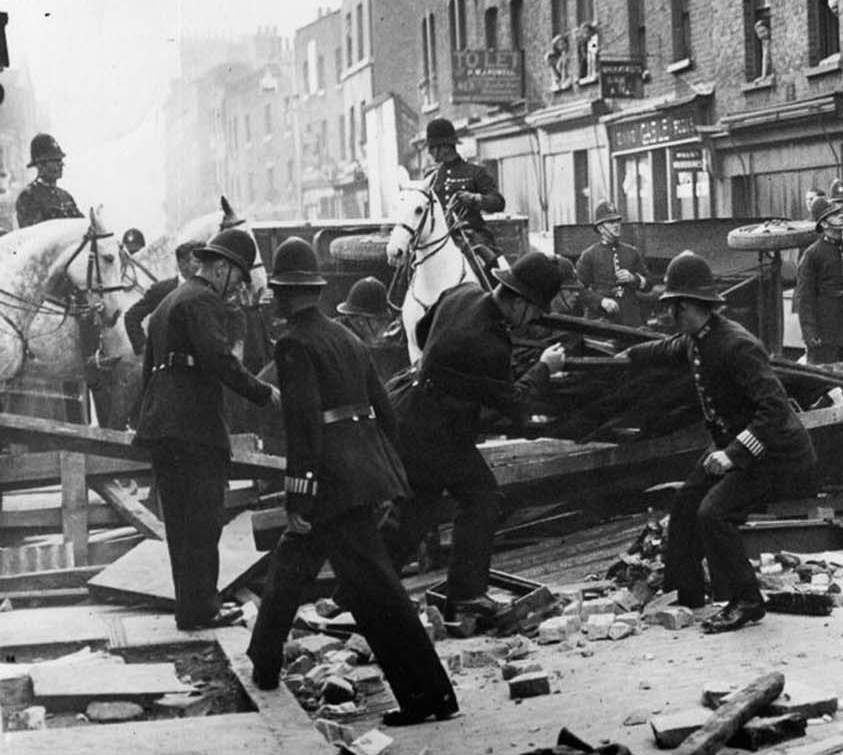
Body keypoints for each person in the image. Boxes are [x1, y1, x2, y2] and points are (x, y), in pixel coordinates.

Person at [245, 239, 458, 726]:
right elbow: (385, 413)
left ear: (282, 293)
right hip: (361, 477)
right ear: (315, 290)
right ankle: (264, 660)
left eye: (277, 292)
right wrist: (384, 476)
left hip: (328, 485)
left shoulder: (293, 343)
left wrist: (300, 493)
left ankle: (428, 697)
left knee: (375, 593)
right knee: (294, 563)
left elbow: (304, 426)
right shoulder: (347, 338)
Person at [620, 252, 818, 633]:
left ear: (690, 305)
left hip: (776, 456)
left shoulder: (735, 346)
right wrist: (628, 356)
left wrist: (732, 455)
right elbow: (666, 350)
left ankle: (745, 601)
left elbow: (775, 410)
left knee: (714, 513)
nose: (669, 315)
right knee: (686, 504)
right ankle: (686, 594)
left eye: (672, 306)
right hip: (737, 450)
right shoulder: (697, 338)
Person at [386, 252, 568, 620]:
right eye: (534, 312)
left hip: (411, 410)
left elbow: (422, 332)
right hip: (437, 433)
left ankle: (356, 591)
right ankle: (467, 595)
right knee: (483, 498)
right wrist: (544, 368)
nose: (533, 321)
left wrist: (449, 370)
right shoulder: (491, 345)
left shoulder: (462, 293)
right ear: (518, 302)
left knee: (416, 511)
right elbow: (514, 402)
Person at [133, 228, 280, 630]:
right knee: (203, 520)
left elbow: (149, 369)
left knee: (180, 524)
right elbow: (219, 359)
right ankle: (204, 609)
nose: (237, 289)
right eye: (238, 278)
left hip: (164, 426)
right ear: (220, 268)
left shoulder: (169, 303)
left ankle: (191, 609)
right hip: (193, 426)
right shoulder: (202, 300)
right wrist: (263, 392)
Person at [795, 195, 843, 364]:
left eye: (840, 213)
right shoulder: (812, 254)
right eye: (834, 215)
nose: (841, 216)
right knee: (822, 383)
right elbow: (805, 298)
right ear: (824, 224)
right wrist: (810, 334)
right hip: (824, 332)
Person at [424, 117, 505, 264]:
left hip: (471, 237)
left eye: (432, 147)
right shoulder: (431, 177)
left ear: (446, 147)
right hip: (438, 237)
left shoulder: (475, 172)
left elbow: (498, 202)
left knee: (488, 267)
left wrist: (475, 198)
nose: (430, 152)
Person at [576, 201, 652, 327]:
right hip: (601, 320)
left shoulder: (632, 252)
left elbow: (649, 283)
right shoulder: (589, 255)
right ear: (600, 228)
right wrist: (601, 301)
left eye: (618, 221)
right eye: (611, 222)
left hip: (630, 320)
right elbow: (578, 288)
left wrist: (634, 278)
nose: (616, 225)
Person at [124, 240, 202, 353]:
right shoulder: (161, 291)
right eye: (198, 262)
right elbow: (131, 317)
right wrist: (144, 349)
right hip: (172, 366)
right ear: (183, 264)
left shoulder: (212, 289)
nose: (203, 266)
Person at [336, 275, 410, 383]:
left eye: (385, 319)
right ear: (360, 321)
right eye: (379, 320)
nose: (385, 324)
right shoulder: (341, 342)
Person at [14, 133, 82, 228]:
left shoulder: (66, 196)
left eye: (60, 160)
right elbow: (35, 236)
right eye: (55, 160)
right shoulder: (28, 197)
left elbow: (80, 228)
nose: (61, 164)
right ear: (40, 165)